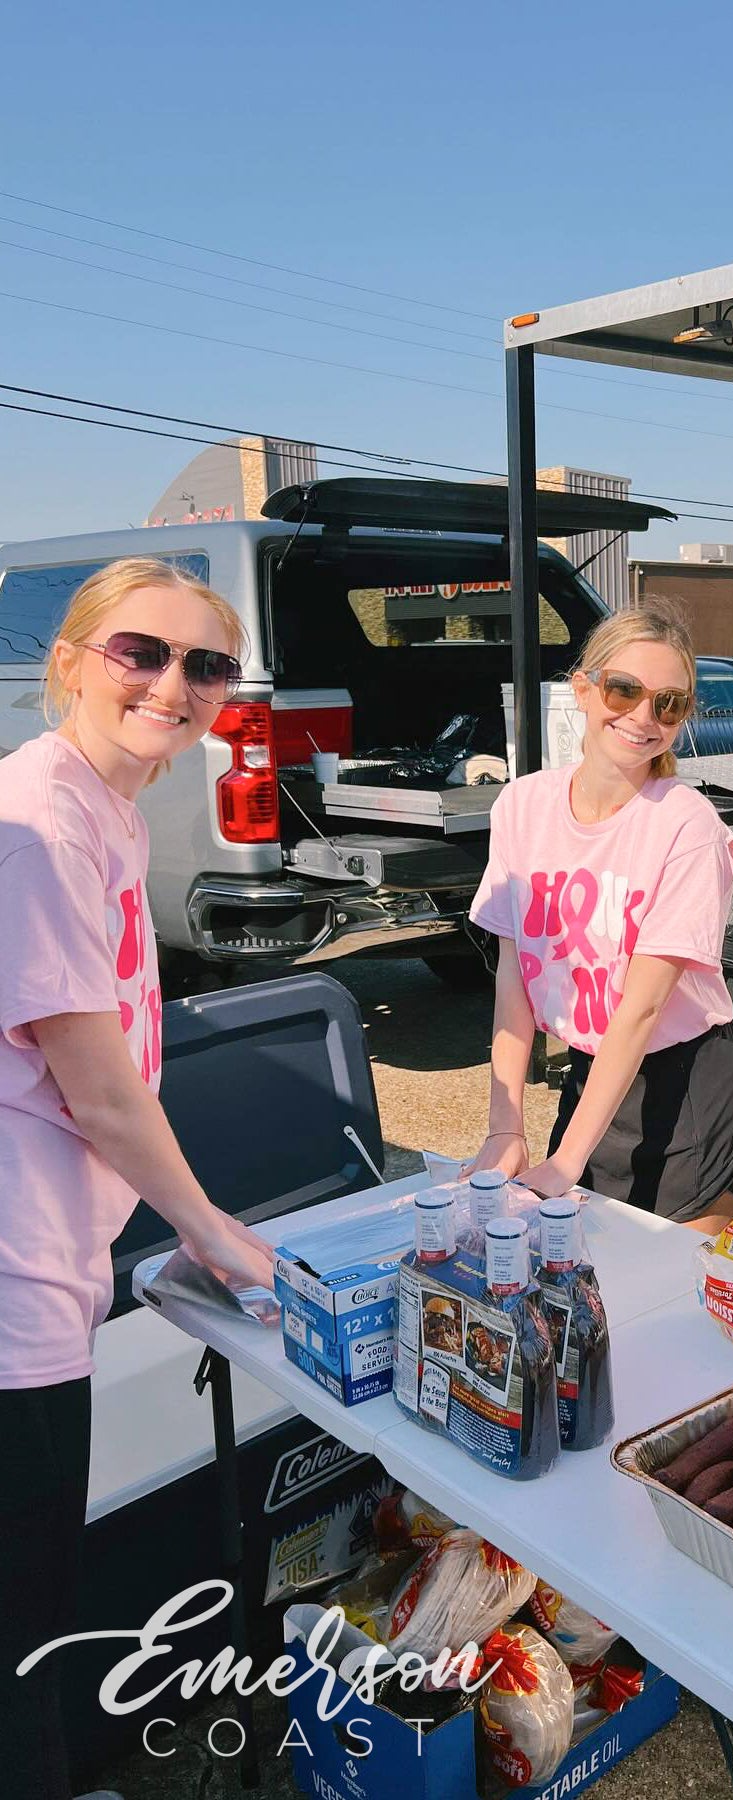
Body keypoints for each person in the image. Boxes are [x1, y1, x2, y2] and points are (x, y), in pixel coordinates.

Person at [0, 557, 276, 1800]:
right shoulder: (39, 823)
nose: (174, 684)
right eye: (141, 653)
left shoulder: (109, 806)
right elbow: (98, 1084)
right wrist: (209, 1226)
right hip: (11, 1286)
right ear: (70, 658)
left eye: (205, 665)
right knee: (23, 1608)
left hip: (52, 1249)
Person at [467, 604, 733, 1230]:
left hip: (684, 1085)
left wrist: (564, 1161)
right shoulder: (522, 806)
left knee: (672, 1284)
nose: (641, 717)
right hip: (594, 1075)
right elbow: (515, 977)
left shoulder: (687, 826)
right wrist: (506, 1126)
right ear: (583, 688)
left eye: (669, 704)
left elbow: (643, 1008)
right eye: (624, 690)